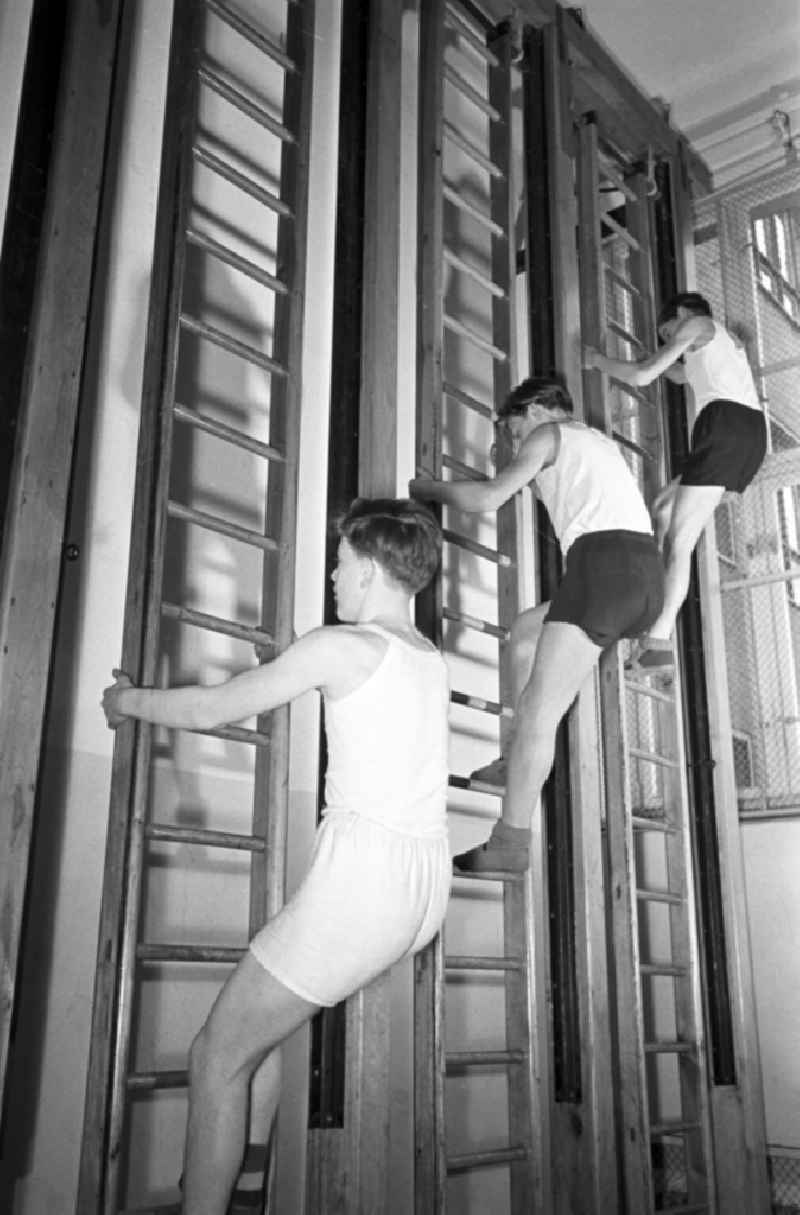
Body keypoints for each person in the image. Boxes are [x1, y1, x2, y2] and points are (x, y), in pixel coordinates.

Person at [102, 498, 450, 1215]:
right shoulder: (428, 658)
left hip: (365, 884)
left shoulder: (340, 647)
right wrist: (294, 653)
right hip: (423, 884)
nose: (332, 573)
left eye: (343, 561)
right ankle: (249, 1197)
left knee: (213, 1056)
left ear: (375, 569)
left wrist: (129, 699)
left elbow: (211, 710)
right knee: (263, 1039)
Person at [410, 375, 663, 874]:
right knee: (526, 631)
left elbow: (488, 498)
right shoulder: (599, 443)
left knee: (539, 714)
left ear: (536, 409)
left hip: (603, 568)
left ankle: (510, 842)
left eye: (510, 426)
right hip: (642, 577)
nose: (511, 439)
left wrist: (425, 488)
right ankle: (514, 757)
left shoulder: (550, 435)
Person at [584, 290, 766, 668]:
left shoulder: (700, 324)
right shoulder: (717, 348)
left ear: (685, 313)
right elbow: (678, 374)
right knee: (664, 507)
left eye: (670, 333)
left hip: (725, 427)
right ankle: (654, 586)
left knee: (682, 542)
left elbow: (643, 375)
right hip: (746, 436)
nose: (672, 344)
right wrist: (647, 358)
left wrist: (597, 360)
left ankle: (658, 642)